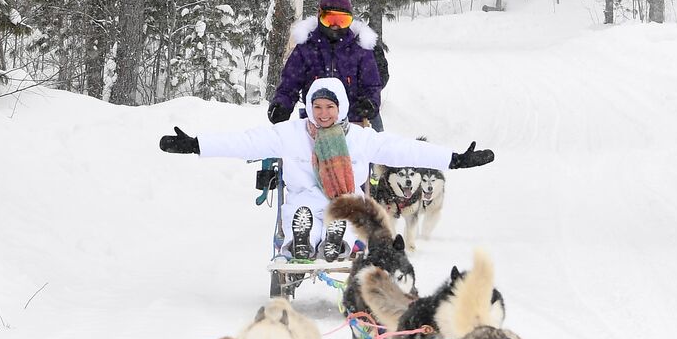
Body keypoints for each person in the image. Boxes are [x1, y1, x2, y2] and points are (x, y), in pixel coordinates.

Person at [160, 78, 494, 261]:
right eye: (316, 107)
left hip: (346, 200)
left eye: (329, 107)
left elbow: (406, 149)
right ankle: (303, 242)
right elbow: (245, 142)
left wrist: (455, 158)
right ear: (309, 108)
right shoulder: (289, 134)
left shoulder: (361, 139)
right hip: (303, 200)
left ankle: (334, 242)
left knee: (346, 221)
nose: (322, 114)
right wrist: (196, 144)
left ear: (341, 108)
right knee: (301, 216)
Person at [268, 0, 384, 130]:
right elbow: (289, 84)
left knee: (373, 147)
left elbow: (371, 84)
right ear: (319, 16)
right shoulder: (306, 48)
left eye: (342, 20)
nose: (335, 26)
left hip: (353, 122)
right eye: (329, 19)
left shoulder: (359, 49)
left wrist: (370, 103)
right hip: (316, 122)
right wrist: (282, 105)